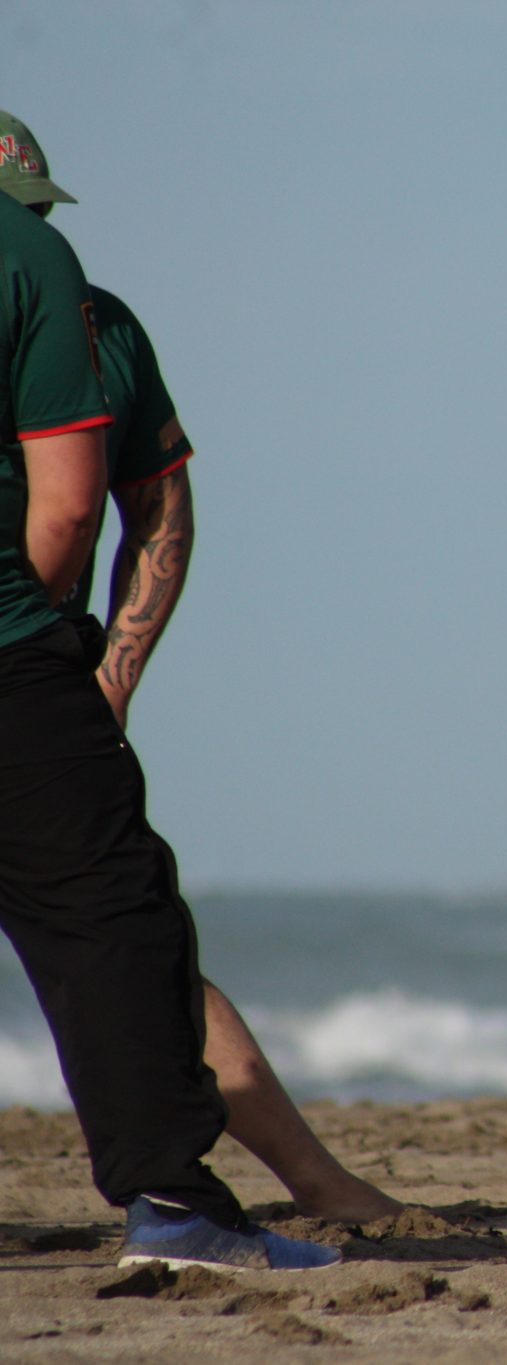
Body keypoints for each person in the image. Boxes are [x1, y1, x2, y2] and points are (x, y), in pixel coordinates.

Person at [0, 110, 399, 1225]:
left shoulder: (102, 328)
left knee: (127, 939)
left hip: (42, 685)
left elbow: (156, 512)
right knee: (119, 930)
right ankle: (182, 1205)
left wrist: (113, 671)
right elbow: (81, 511)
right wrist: (40, 636)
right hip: (19, 669)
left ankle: (304, 1178)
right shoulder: (40, 283)